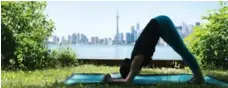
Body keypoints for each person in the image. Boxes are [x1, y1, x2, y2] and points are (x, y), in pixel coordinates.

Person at [103, 15, 205, 84]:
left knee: (182, 50)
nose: (136, 73)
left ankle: (199, 77)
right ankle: (197, 76)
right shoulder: (135, 57)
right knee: (181, 50)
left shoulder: (136, 61)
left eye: (133, 73)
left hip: (161, 24)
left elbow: (127, 81)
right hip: (160, 22)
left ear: (131, 69)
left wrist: (109, 80)